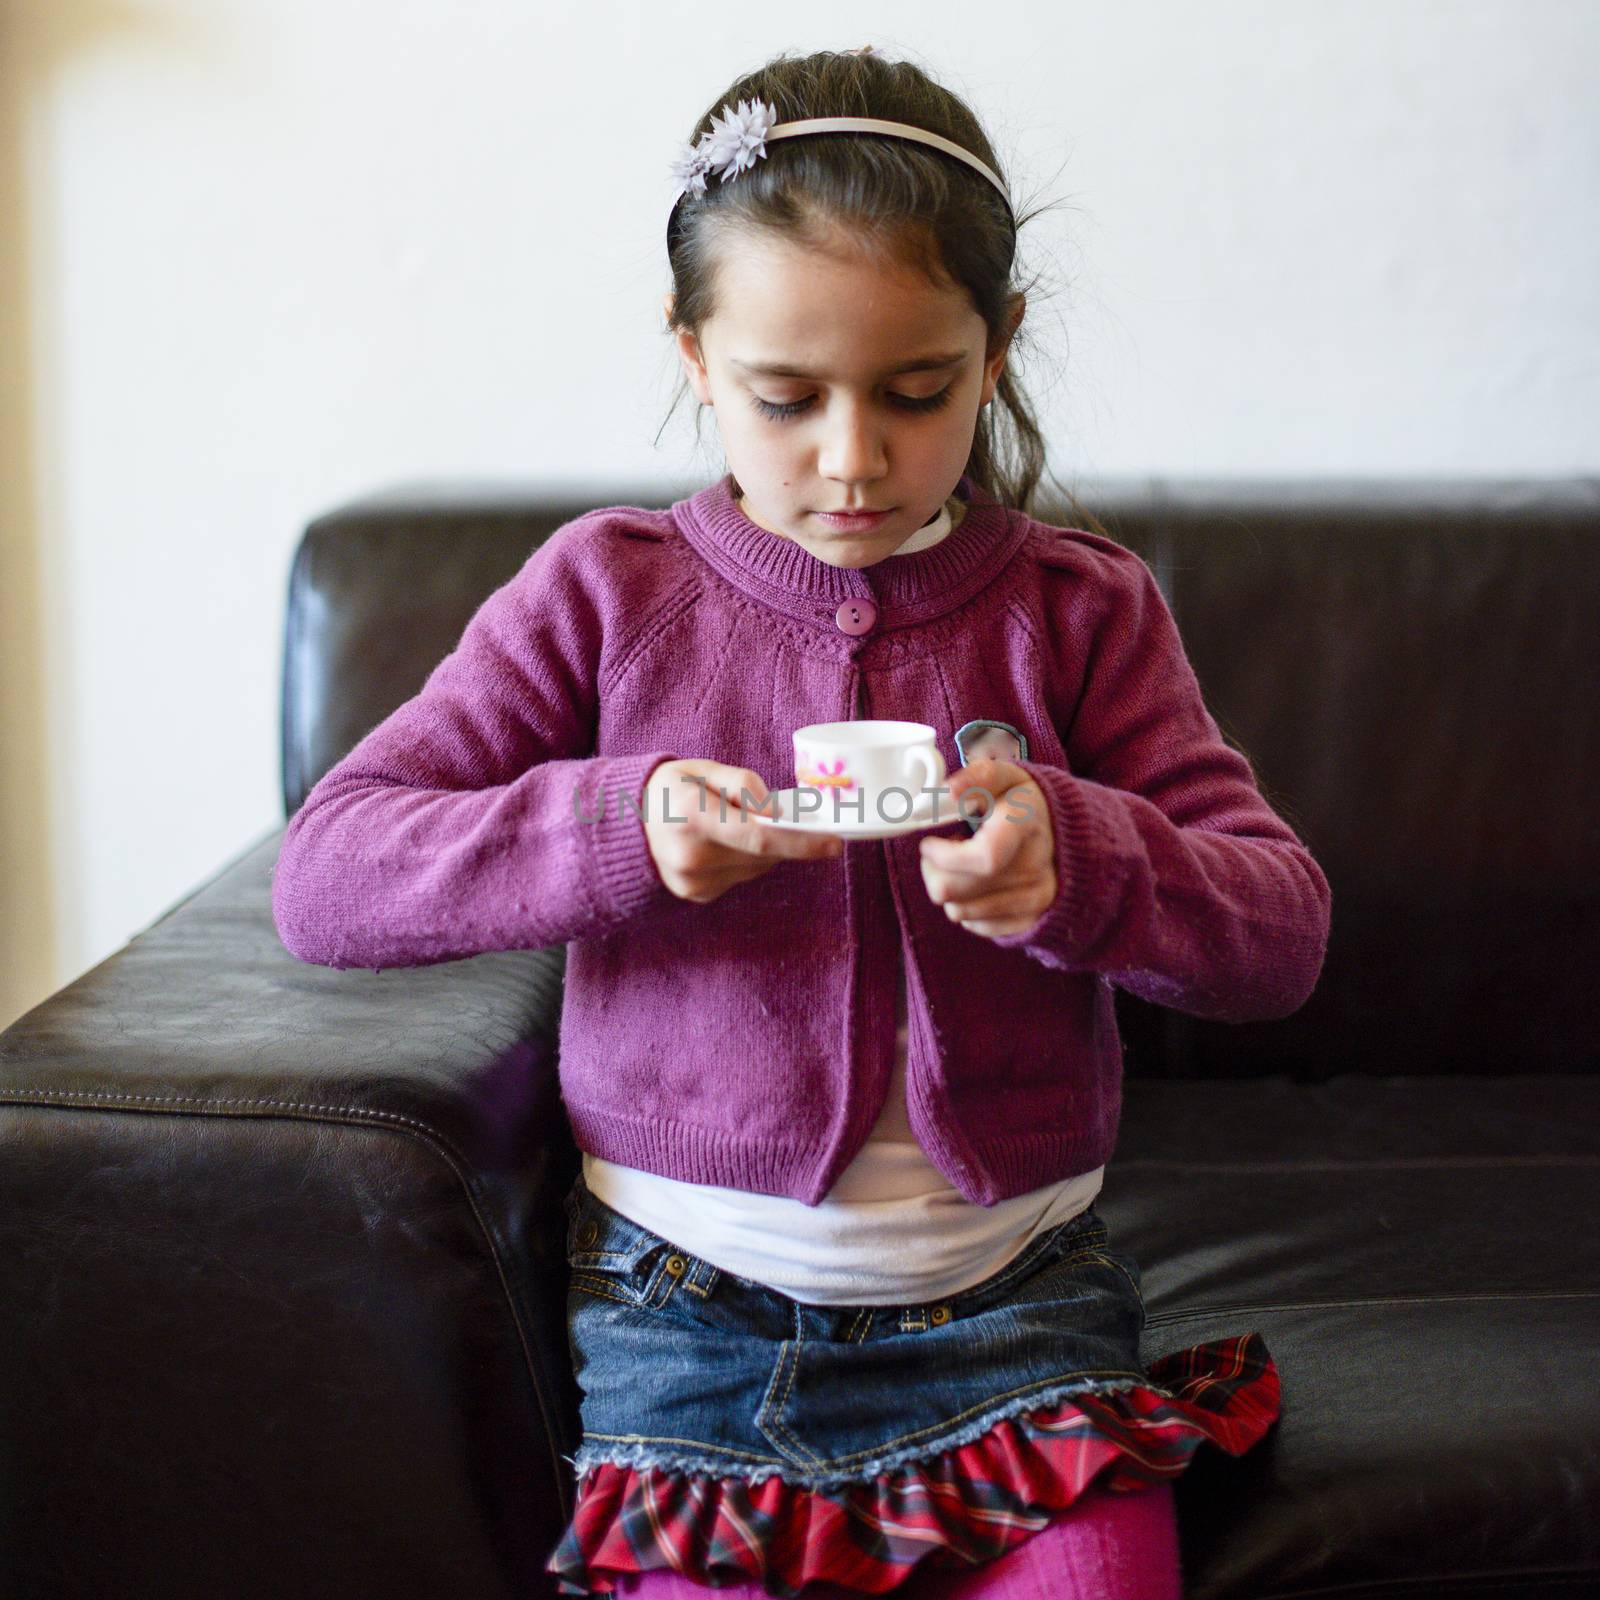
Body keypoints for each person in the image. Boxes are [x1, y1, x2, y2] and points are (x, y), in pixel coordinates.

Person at [271, 44, 1331, 1600]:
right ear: (693, 353)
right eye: (785, 396)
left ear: (999, 347)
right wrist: (620, 833)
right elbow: (331, 873)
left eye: (919, 394)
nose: (852, 459)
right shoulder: (606, 594)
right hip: (687, 1321)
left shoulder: (1079, 608)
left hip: (1021, 1310)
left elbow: (1279, 932)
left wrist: (1083, 861)